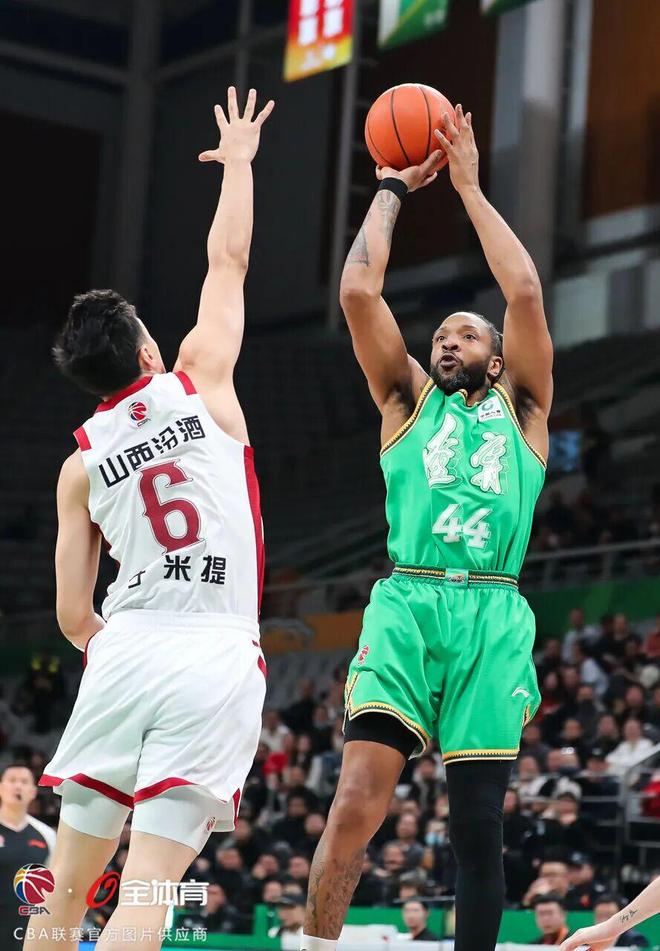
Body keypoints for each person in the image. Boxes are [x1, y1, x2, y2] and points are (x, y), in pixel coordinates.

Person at [303, 105, 552, 951]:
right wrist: (390, 189)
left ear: (497, 357)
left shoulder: (525, 409)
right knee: (355, 802)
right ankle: (317, 945)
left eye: (466, 334)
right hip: (408, 603)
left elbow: (524, 292)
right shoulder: (406, 399)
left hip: (492, 611)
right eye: (440, 334)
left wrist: (471, 190)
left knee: (477, 826)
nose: (448, 341)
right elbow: (357, 291)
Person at [31, 87, 274, 951]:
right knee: (148, 895)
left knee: (63, 896)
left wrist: (128, 645)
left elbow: (73, 617)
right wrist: (238, 164)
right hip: (214, 653)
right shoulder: (201, 377)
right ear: (146, 351)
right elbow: (229, 260)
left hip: (126, 648)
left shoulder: (79, 465)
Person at [0, 765, 57, 948]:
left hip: (26, 930)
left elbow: (52, 887)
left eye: (24, 782)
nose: (18, 786)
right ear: (1, 787)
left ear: (33, 792)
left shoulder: (47, 835)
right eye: (12, 780)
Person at [560, 879, 660, 951]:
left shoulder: (635, 939)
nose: (604, 920)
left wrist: (611, 927)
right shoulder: (589, 943)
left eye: (609, 915)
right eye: (600, 915)